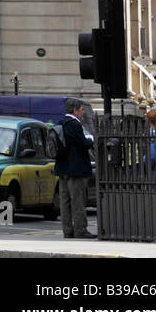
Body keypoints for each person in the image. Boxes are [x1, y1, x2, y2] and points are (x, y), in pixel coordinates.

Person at [55, 97, 95, 238]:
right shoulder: (75, 124)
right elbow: (83, 143)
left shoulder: (61, 123)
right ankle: (80, 230)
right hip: (76, 169)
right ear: (75, 110)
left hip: (62, 168)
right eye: (82, 109)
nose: (83, 112)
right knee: (78, 200)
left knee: (65, 202)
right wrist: (90, 140)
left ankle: (67, 230)